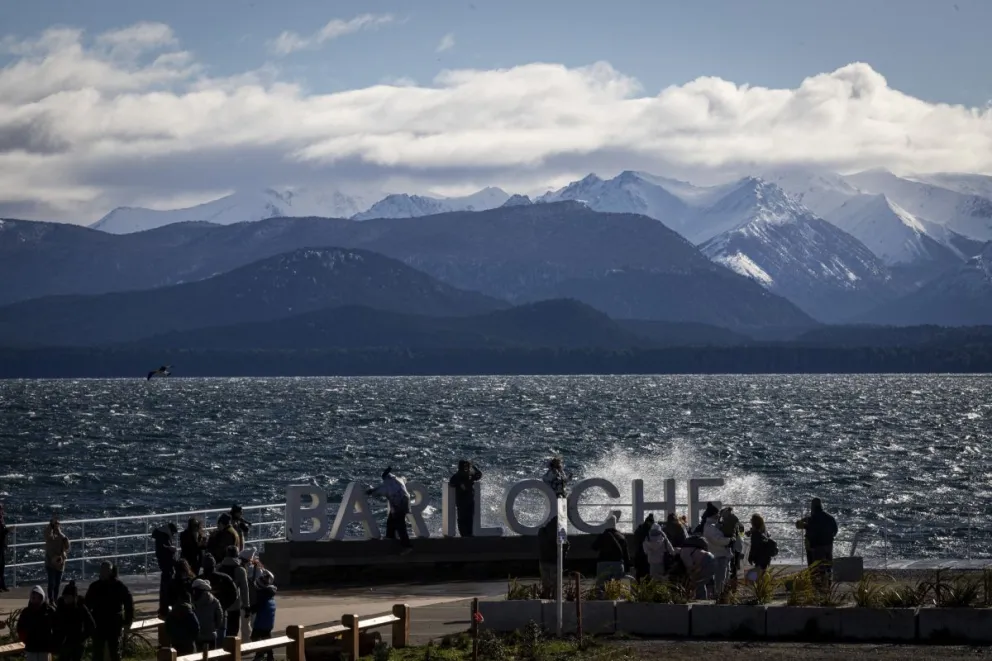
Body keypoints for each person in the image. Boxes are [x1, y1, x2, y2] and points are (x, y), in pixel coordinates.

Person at [85, 562, 134, 661]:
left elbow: (129, 603)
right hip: (98, 623)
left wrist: (127, 621)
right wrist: (87, 624)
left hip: (114, 623)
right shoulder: (94, 587)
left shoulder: (119, 586)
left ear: (111, 572)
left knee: (114, 651)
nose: (103, 573)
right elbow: (86, 607)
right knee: (97, 652)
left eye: (106, 570)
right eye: (102, 570)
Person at [366, 467, 413, 552]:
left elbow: (377, 491)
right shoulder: (399, 479)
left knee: (400, 525)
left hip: (397, 504)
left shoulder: (386, 486)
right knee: (391, 520)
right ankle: (390, 537)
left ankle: (407, 546)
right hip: (406, 501)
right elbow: (404, 479)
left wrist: (369, 491)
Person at [797, 497, 839, 583]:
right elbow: (835, 531)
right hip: (828, 545)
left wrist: (801, 521)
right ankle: (828, 583)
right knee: (827, 565)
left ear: (812, 507)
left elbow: (800, 526)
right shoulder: (830, 518)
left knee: (815, 567)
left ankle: (816, 585)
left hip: (816, 547)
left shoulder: (811, 520)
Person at [199, 553, 238, 641]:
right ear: (214, 564)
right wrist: (224, 606)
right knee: (220, 641)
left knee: (202, 642)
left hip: (202, 615)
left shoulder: (198, 581)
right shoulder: (225, 578)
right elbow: (234, 594)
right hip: (221, 612)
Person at [54, 581, 95, 661]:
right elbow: (55, 622)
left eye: (69, 597)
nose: (66, 599)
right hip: (64, 641)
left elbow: (91, 625)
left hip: (78, 642)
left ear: (74, 597)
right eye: (65, 597)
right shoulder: (61, 607)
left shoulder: (81, 607)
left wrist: (83, 638)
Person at [590, 515, 629, 594]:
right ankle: (617, 603)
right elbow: (626, 554)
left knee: (601, 586)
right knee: (618, 586)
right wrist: (627, 567)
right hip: (618, 563)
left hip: (603, 563)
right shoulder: (621, 536)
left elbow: (594, 547)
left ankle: (601, 602)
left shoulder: (603, 536)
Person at [701, 503, 733, 597]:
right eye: (717, 514)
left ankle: (721, 596)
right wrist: (729, 540)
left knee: (723, 578)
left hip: (720, 555)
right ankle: (720, 597)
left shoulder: (712, 525)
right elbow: (717, 540)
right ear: (713, 514)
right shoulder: (710, 527)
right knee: (720, 580)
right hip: (718, 556)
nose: (718, 515)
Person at [219, 546, 251, 640]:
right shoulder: (240, 570)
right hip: (234, 604)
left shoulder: (218, 567)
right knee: (233, 630)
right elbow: (245, 589)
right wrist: (246, 606)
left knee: (221, 630)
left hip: (220, 604)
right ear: (237, 555)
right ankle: (232, 651)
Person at [17, 586, 56, 661]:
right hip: (31, 647)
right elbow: (20, 628)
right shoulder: (26, 612)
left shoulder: (49, 611)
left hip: (45, 647)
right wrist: (26, 639)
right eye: (33, 596)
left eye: (37, 596)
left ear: (42, 597)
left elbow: (57, 627)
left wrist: (53, 642)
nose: (34, 598)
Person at [448, 460, 483, 537]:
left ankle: (469, 534)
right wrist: (460, 484)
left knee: (469, 518)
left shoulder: (469, 476)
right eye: (466, 467)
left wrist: (473, 467)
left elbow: (479, 475)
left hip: (469, 500)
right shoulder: (457, 476)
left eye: (467, 467)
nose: (466, 469)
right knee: (462, 519)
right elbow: (451, 483)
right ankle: (464, 535)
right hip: (462, 501)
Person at [249, 570, 277, 661]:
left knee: (255, 637)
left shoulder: (262, 594)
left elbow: (256, 607)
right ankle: (269, 655)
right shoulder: (270, 592)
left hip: (261, 620)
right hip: (268, 620)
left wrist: (248, 609)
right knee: (266, 637)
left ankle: (260, 653)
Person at [151, 522, 179, 612]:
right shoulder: (164, 537)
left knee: (164, 586)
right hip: (167, 564)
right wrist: (172, 551)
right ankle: (165, 607)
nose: (173, 535)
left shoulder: (160, 535)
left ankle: (164, 607)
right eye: (173, 533)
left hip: (163, 564)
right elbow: (166, 552)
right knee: (167, 586)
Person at [191, 579, 224, 651]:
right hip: (211, 633)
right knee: (212, 655)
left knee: (200, 654)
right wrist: (215, 627)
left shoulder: (192, 601)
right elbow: (220, 615)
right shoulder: (214, 601)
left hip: (198, 634)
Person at [537, 516, 565, 596]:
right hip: (555, 560)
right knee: (556, 583)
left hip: (543, 559)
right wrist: (563, 556)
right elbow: (565, 545)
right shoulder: (561, 531)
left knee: (546, 582)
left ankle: (546, 597)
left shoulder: (542, 530)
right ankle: (555, 598)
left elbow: (540, 543)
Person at [164, 590, 200, 655]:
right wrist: (192, 639)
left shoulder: (172, 612)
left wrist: (172, 638)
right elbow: (196, 627)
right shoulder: (190, 612)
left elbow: (167, 627)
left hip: (175, 643)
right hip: (188, 643)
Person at [45, 515, 70, 603]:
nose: (56, 525)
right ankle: (51, 599)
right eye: (55, 524)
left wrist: (61, 534)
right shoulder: (49, 534)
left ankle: (55, 599)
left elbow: (67, 546)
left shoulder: (62, 536)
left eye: (58, 523)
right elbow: (48, 535)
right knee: (51, 583)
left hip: (60, 563)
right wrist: (51, 526)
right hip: (50, 562)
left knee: (57, 584)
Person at [746, 513, 778, 580]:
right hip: (766, 558)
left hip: (760, 558)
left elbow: (754, 547)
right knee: (760, 576)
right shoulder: (764, 531)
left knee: (752, 578)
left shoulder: (755, 534)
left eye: (751, 520)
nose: (750, 521)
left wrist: (750, 557)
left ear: (754, 523)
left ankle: (756, 588)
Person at [720, 506, 745, 582]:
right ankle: (733, 579)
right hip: (735, 541)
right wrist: (740, 536)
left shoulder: (724, 519)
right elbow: (742, 528)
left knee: (728, 561)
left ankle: (728, 579)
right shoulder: (734, 518)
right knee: (734, 561)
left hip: (727, 542)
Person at [632, 514, 655, 580]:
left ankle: (638, 588)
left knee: (638, 574)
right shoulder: (648, 531)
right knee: (647, 575)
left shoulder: (638, 529)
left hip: (638, 555)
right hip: (645, 556)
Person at [0, 503, 10, 592]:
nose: (2, 511)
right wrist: (7, 530)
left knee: (2, 566)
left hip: (2, 546)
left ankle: (2, 585)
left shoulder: (1, 520)